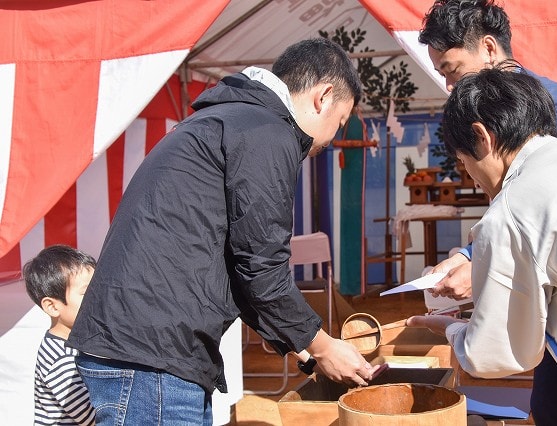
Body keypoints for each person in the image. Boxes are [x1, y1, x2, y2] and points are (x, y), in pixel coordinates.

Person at [68, 38, 379, 424]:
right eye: (339, 122)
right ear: (324, 96)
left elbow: (237, 262)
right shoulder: (268, 132)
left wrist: (297, 342)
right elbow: (263, 271)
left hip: (146, 349)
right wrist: (324, 345)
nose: (332, 139)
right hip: (153, 357)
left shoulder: (232, 119)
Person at [415, 1, 557, 424]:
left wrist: (456, 327)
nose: (450, 85)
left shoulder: (552, 115)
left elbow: (493, 350)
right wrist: (469, 255)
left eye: (452, 70)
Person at [23, 245, 96, 425]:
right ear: (53, 306)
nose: (97, 298)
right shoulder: (60, 359)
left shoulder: (75, 344)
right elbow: (92, 418)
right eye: (87, 292)